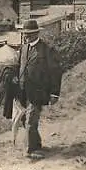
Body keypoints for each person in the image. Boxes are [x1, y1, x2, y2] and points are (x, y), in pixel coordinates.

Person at [15, 19, 63, 160]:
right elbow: (20, 67)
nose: (26, 36)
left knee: (30, 120)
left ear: (36, 33)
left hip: (38, 91)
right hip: (24, 91)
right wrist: (16, 80)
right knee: (25, 120)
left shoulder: (47, 49)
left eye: (29, 33)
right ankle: (36, 144)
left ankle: (29, 151)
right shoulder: (23, 48)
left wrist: (54, 93)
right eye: (25, 33)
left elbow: (56, 72)